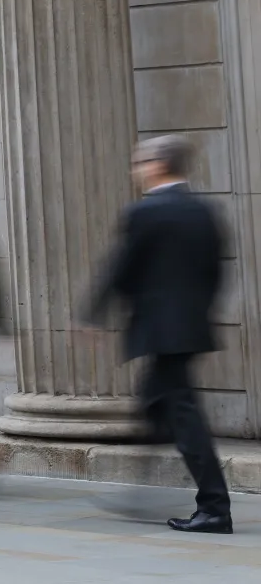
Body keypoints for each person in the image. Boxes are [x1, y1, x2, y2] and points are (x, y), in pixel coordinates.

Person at [85, 135, 231, 534]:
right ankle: (141, 494)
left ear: (158, 165)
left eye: (141, 161)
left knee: (183, 417)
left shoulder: (145, 212)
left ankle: (215, 507)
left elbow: (122, 269)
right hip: (189, 327)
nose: (136, 168)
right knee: (155, 405)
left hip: (161, 330)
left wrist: (94, 316)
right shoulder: (205, 210)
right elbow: (216, 271)